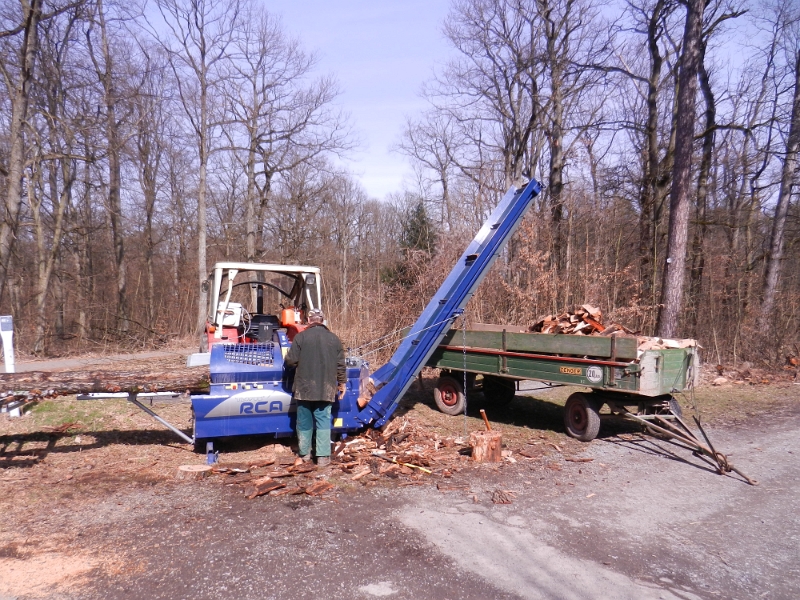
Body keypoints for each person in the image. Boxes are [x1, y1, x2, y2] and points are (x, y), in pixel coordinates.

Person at [284, 308, 346, 466]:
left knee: (304, 421)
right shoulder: (334, 339)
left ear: (309, 320)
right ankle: (323, 458)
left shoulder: (301, 337)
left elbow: (290, 361)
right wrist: (342, 383)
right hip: (326, 388)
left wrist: (288, 358)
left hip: (304, 388)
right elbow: (340, 365)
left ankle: (304, 455)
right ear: (323, 320)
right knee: (323, 421)